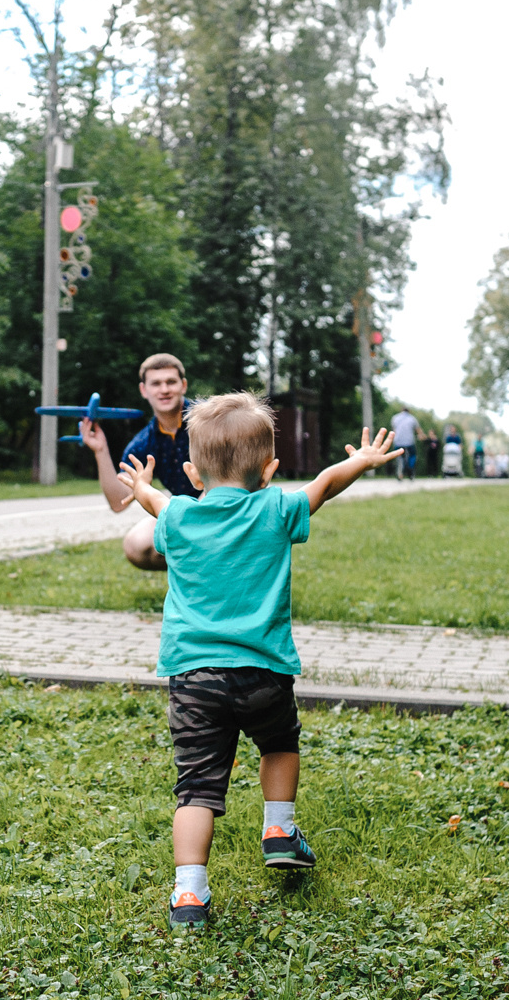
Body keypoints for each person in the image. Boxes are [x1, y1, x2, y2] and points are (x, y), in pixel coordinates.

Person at [115, 392, 403, 929]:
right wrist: (360, 462)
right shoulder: (276, 509)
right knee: (278, 743)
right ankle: (278, 829)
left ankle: (189, 894)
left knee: (197, 787)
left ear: (193, 474)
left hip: (194, 679)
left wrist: (140, 488)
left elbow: (156, 504)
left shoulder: (179, 516)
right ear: (270, 470)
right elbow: (324, 486)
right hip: (264, 674)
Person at [79, 352, 196, 570]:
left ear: (183, 385)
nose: (164, 389)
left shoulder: (210, 419)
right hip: (185, 514)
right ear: (144, 390)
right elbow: (118, 502)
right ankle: (193, 576)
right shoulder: (143, 443)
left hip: (224, 508)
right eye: (156, 383)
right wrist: (101, 450)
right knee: (137, 544)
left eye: (171, 382)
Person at [389, 405, 419, 480]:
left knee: (399, 456)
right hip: (409, 441)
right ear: (408, 411)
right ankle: (410, 468)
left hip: (398, 441)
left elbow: (394, 429)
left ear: (401, 410)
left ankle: (400, 473)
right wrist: (421, 436)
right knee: (412, 455)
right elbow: (417, 429)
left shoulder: (395, 418)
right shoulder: (412, 418)